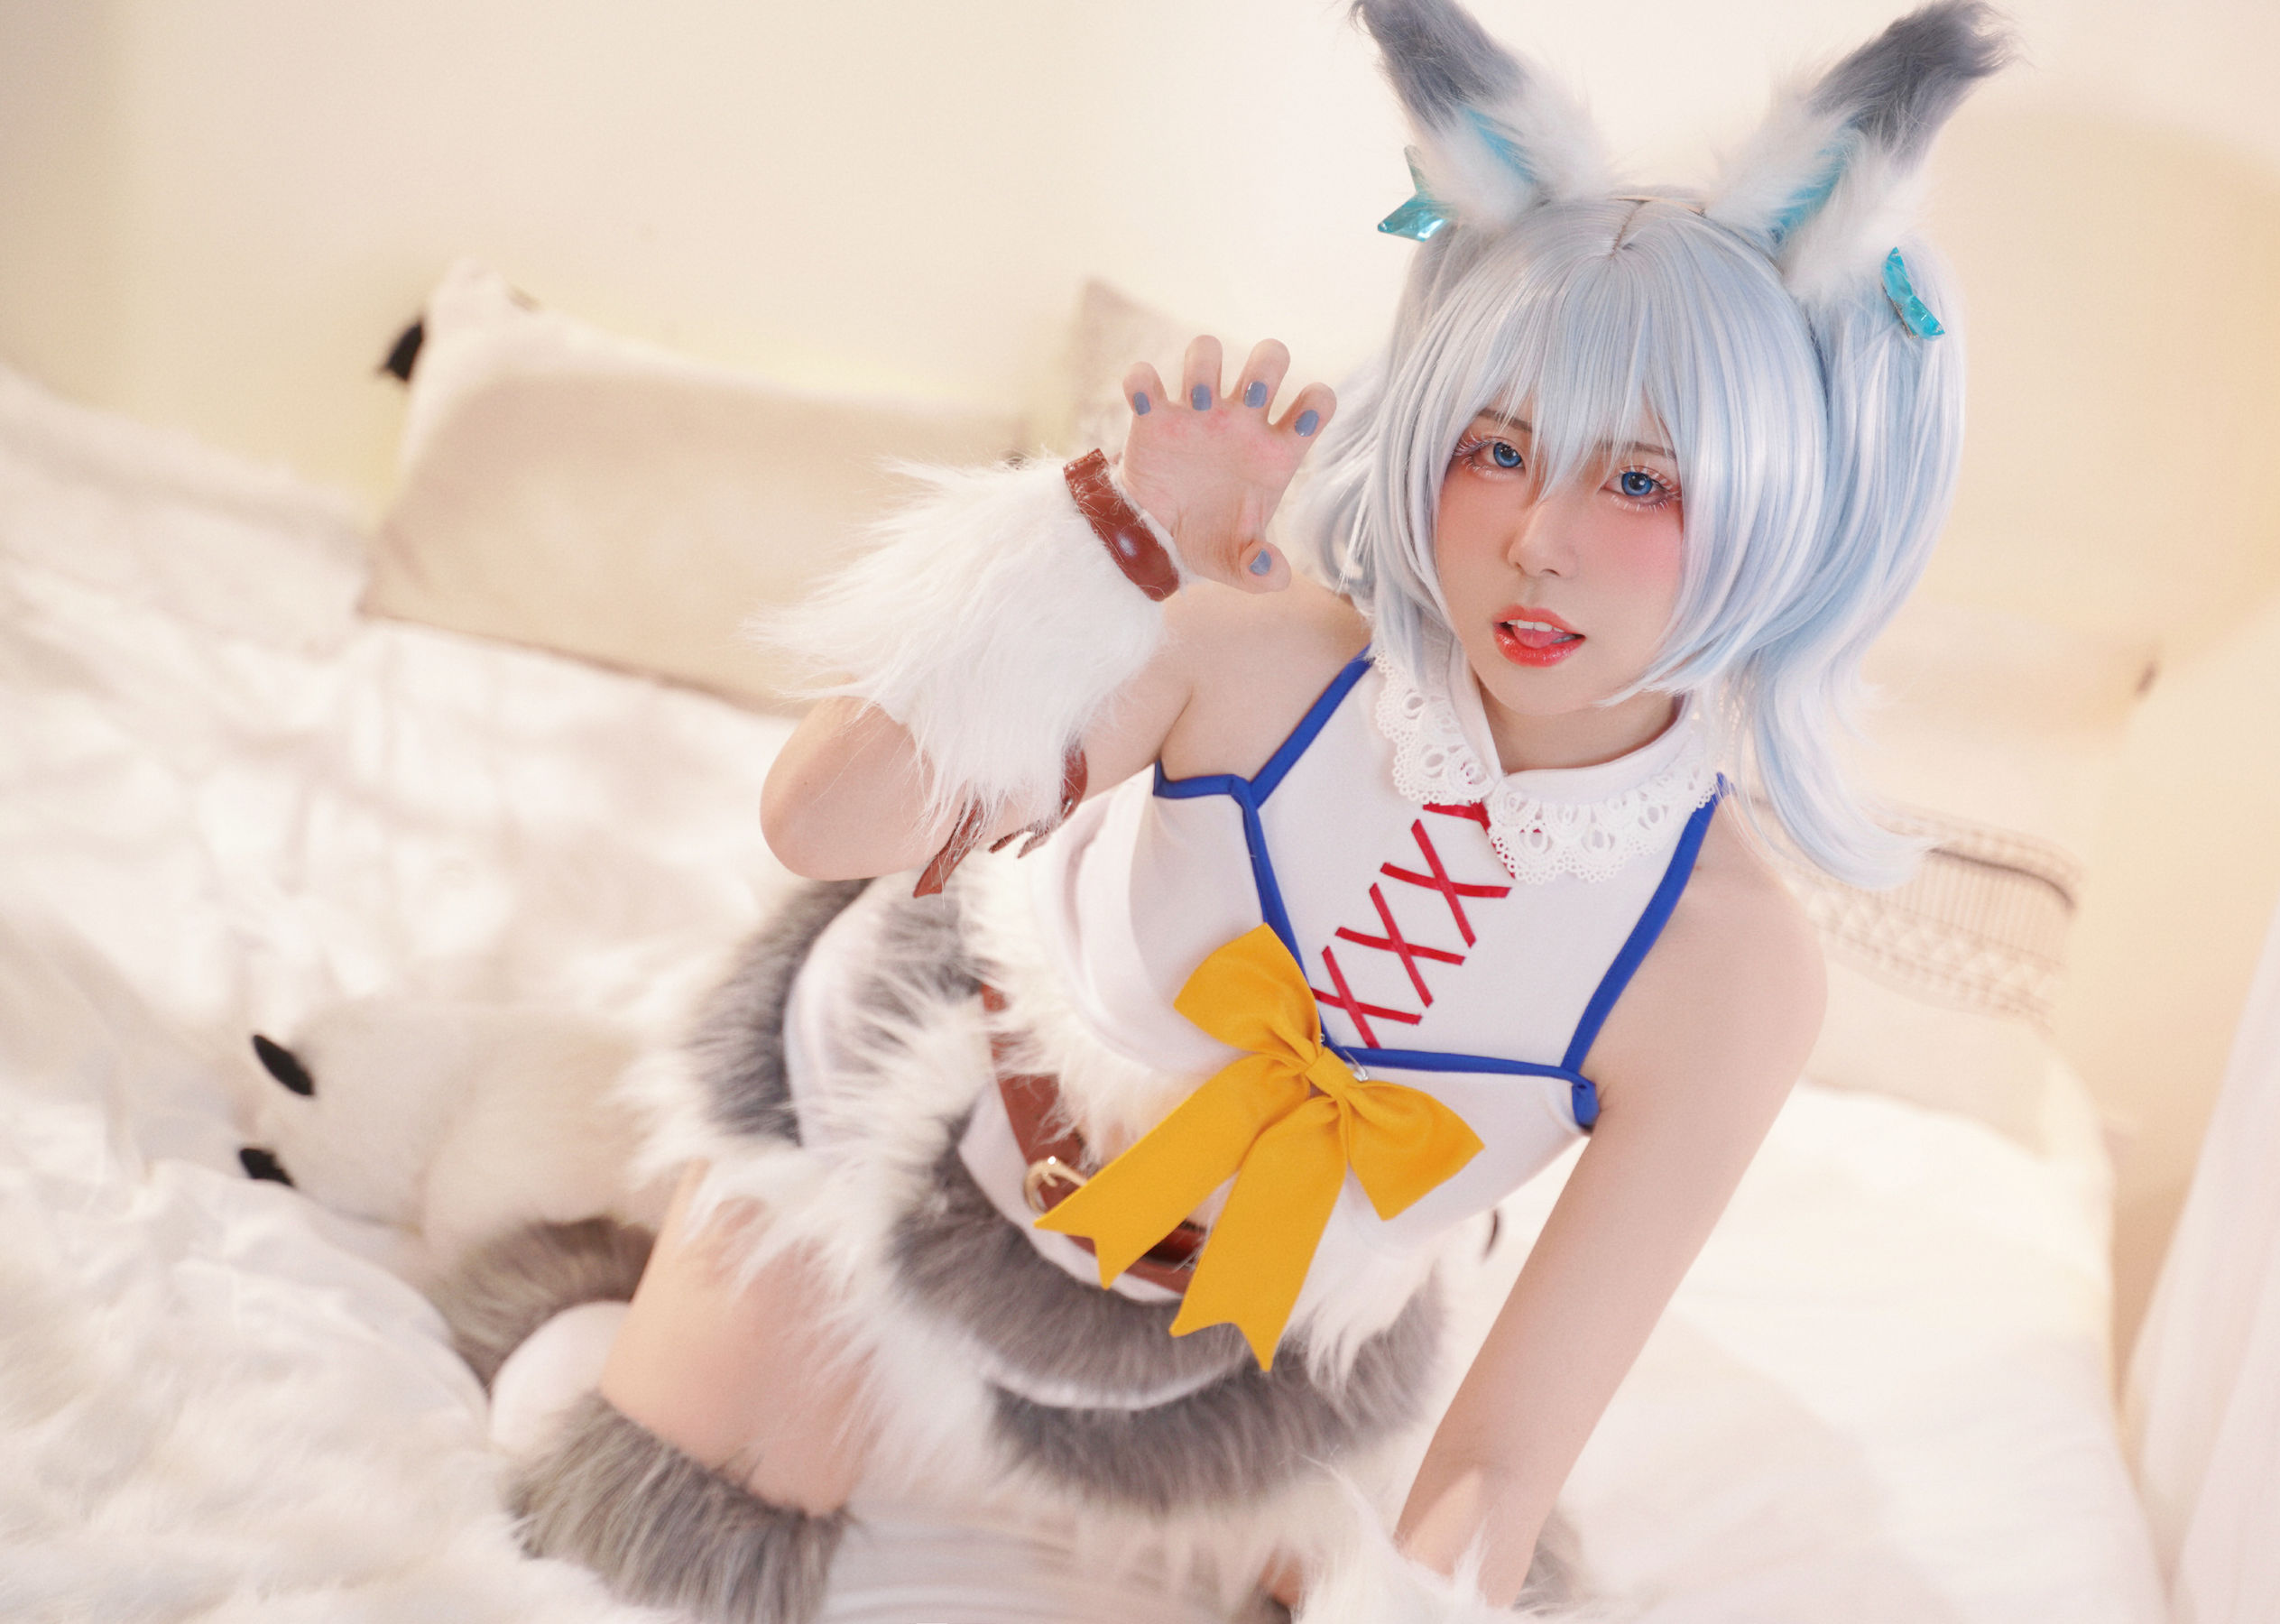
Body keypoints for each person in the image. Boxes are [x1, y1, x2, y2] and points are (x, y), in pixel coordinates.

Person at [483, 2, 2010, 1619]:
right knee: (642, 1544)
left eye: (1638, 481)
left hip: (1272, 1352)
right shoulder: (1259, 657)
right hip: (907, 1144)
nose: (1537, 539)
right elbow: (820, 825)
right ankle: (554, 1209)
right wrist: (1106, 545)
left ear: (1784, 507)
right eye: (1495, 449)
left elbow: (1503, 1456)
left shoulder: (1729, 970)